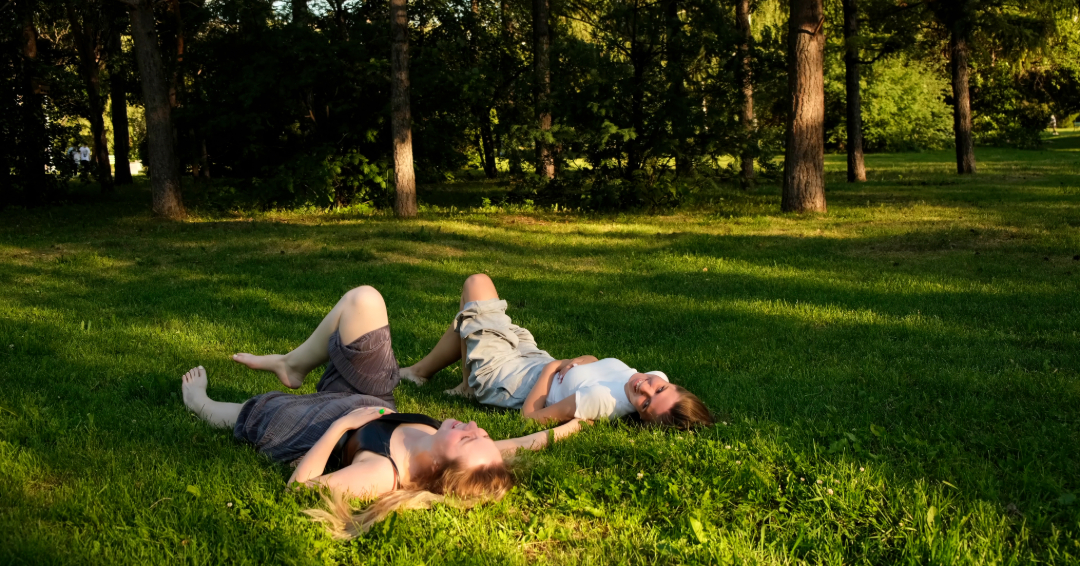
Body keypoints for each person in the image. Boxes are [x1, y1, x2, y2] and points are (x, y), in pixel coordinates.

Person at [182, 285, 583, 538]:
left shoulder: (381, 473)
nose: (477, 426)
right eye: (481, 434)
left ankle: (199, 403)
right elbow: (518, 444)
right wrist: (571, 425)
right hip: (371, 399)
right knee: (365, 300)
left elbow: (299, 492)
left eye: (468, 437)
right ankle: (294, 365)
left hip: (315, 426)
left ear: (438, 466)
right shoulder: (462, 453)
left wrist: (340, 425)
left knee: (246, 415)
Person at [399, 274, 714, 429]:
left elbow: (531, 417)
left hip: (506, 378)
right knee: (474, 320)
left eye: (646, 402)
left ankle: (470, 387)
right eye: (659, 387)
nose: (644, 387)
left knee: (477, 285)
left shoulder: (601, 402)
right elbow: (596, 366)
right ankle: (419, 373)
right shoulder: (653, 378)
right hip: (533, 358)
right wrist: (579, 361)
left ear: (643, 416)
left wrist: (553, 369)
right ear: (668, 383)